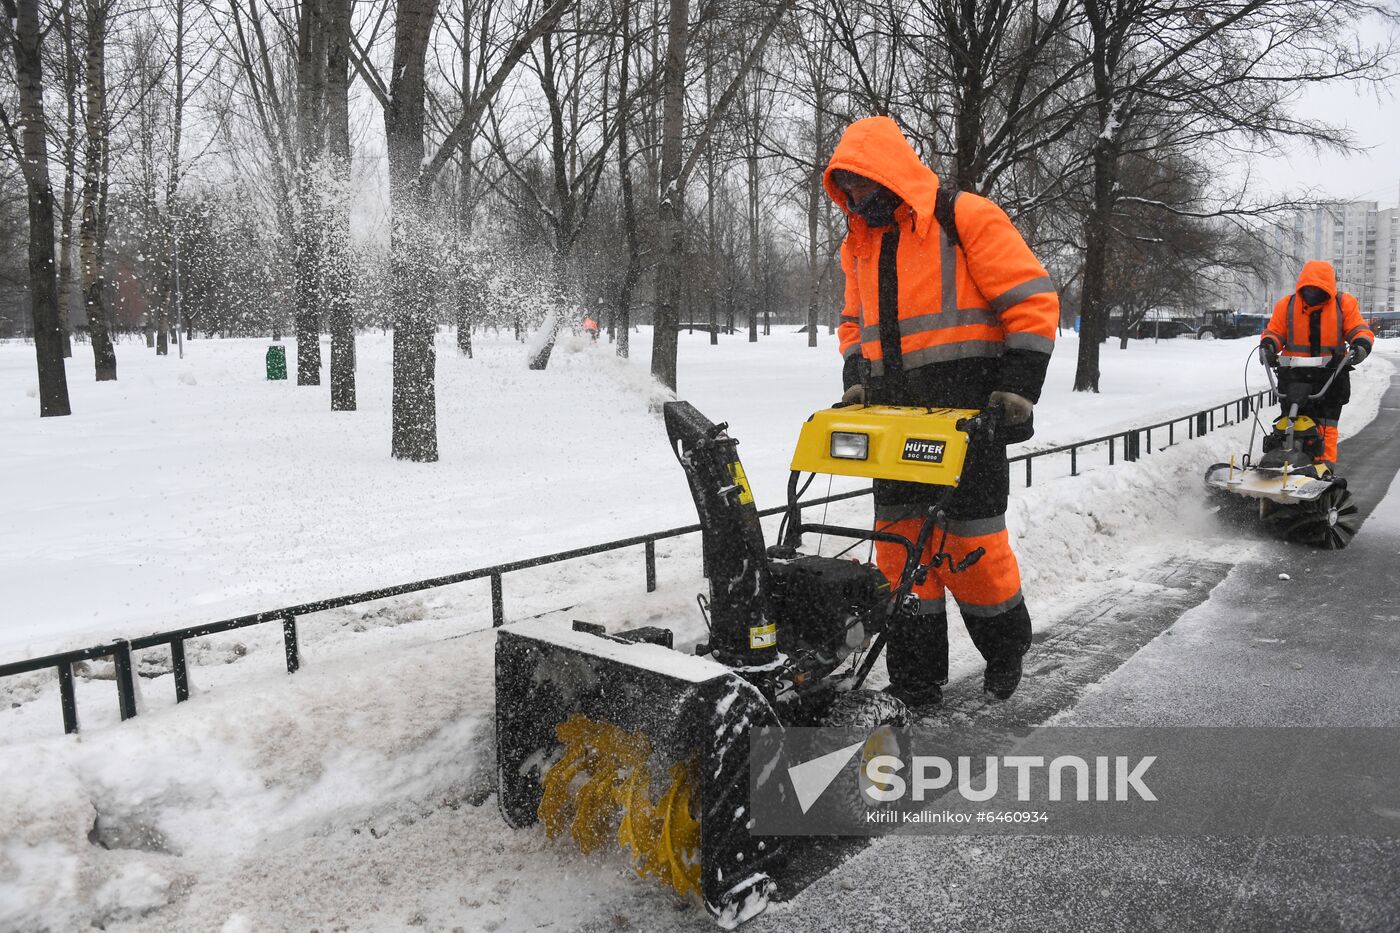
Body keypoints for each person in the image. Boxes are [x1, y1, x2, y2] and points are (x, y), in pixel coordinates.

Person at [823, 116, 1059, 709]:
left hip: (969, 416)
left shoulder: (966, 218)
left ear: (890, 175)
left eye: (863, 185)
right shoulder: (857, 244)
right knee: (902, 557)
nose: (856, 198)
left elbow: (1031, 301)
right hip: (893, 423)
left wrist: (1017, 389)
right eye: (846, 189)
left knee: (971, 550)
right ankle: (915, 681)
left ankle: (1005, 648)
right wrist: (857, 381)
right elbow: (854, 324)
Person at [1258, 261, 1373, 469]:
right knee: (1290, 421)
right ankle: (1284, 461)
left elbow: (1358, 328)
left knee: (1327, 424)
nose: (1313, 291)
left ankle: (1324, 467)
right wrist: (1268, 346)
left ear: (1328, 287)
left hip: (1331, 374)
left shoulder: (1343, 303)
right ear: (1302, 284)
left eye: (1318, 288)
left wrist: (1361, 344)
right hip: (1294, 374)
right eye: (1309, 287)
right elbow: (1275, 332)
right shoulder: (1287, 305)